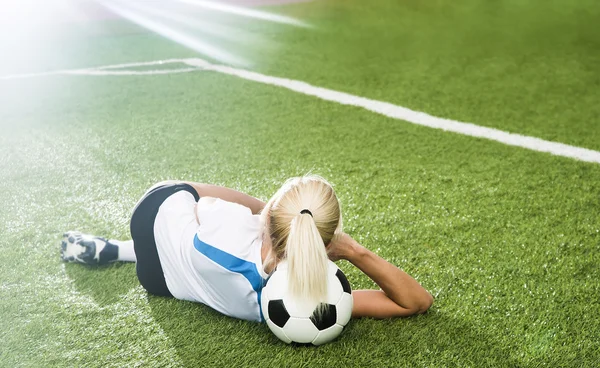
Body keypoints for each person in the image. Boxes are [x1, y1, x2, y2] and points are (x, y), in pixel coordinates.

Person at [61, 175, 433, 322]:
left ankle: (122, 249)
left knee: (184, 191)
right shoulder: (306, 296)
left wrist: (263, 211)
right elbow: (415, 301)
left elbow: (200, 202)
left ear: (272, 215)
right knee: (186, 242)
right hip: (165, 285)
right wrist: (354, 252)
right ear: (328, 238)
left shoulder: (229, 224)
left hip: (151, 224)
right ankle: (122, 251)